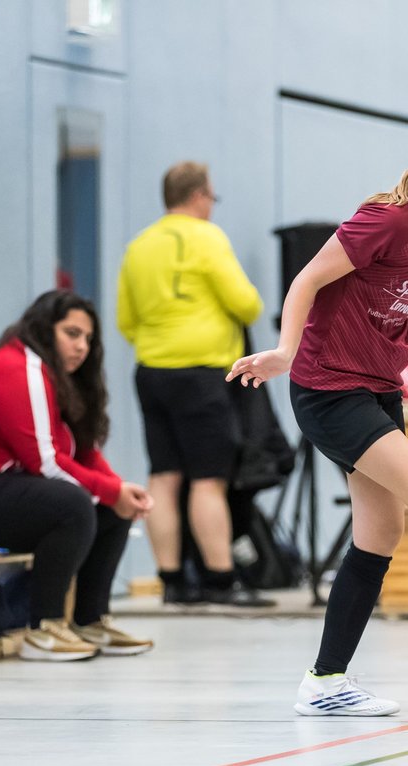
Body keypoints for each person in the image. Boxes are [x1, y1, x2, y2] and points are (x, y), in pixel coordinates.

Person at [228, 119, 408, 716]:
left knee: (381, 532)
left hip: (377, 390)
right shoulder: (388, 219)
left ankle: (325, 681)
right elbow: (307, 279)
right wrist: (285, 353)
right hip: (330, 391)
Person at [0, 290, 154, 662]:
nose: (82, 346)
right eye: (72, 333)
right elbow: (45, 462)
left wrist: (118, 491)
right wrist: (109, 490)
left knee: (110, 508)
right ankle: (44, 628)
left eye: (88, 338)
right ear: (44, 328)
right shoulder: (19, 367)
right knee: (71, 503)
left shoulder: (56, 379)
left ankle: (89, 621)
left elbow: (84, 452)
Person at [116, 161, 272, 607]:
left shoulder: (139, 246)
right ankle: (220, 581)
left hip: (151, 372)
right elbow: (247, 304)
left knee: (163, 477)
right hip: (202, 374)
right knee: (208, 479)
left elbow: (126, 320)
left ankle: (171, 581)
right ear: (201, 195)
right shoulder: (207, 237)